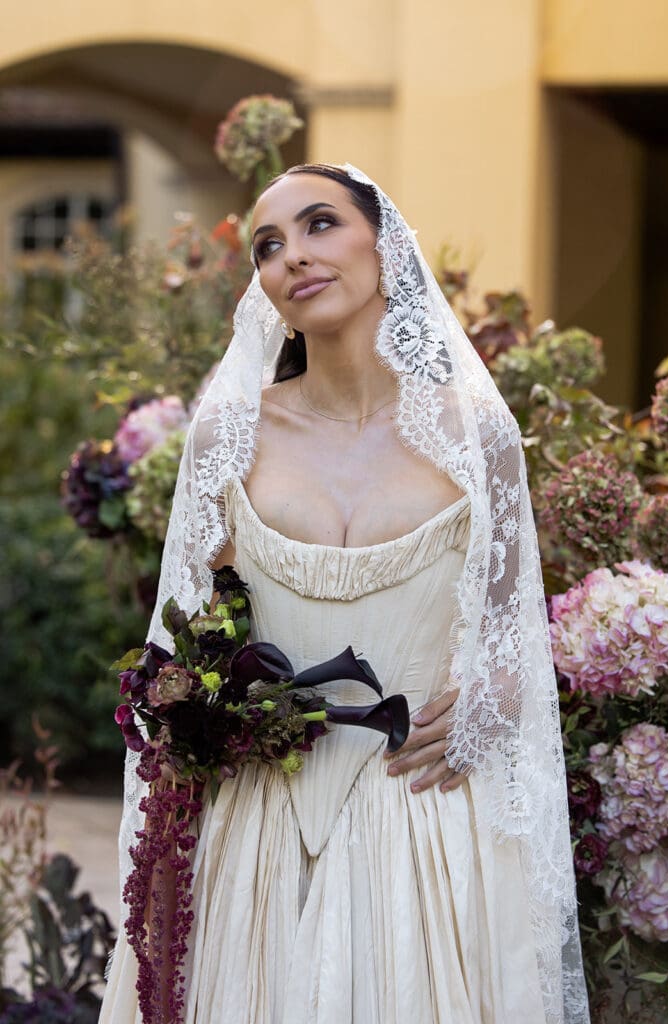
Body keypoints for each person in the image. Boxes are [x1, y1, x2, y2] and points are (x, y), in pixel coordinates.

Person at [99, 164, 590, 1023]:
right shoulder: (229, 433)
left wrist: (486, 699)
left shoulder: (477, 435)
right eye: (268, 245)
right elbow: (183, 645)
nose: (293, 256)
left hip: (428, 826)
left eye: (320, 224)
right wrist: (203, 711)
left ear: (384, 246)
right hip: (257, 832)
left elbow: (514, 633)